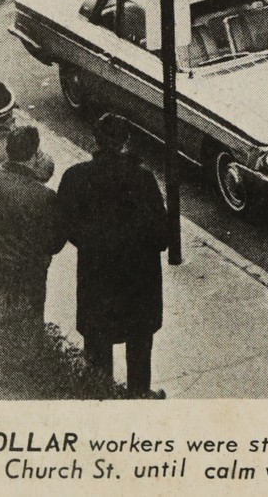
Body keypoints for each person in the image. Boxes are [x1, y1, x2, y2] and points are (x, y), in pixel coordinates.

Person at [58, 113, 173, 399]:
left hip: (97, 279)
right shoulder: (143, 180)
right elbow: (161, 236)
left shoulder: (75, 177)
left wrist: (92, 243)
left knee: (97, 346)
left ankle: (101, 398)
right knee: (139, 344)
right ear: (127, 142)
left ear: (95, 140)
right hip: (139, 283)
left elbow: (65, 225)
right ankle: (139, 394)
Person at [0, 125, 66, 323]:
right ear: (34, 157)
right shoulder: (44, 197)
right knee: (25, 327)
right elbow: (54, 244)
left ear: (8, 151)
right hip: (25, 278)